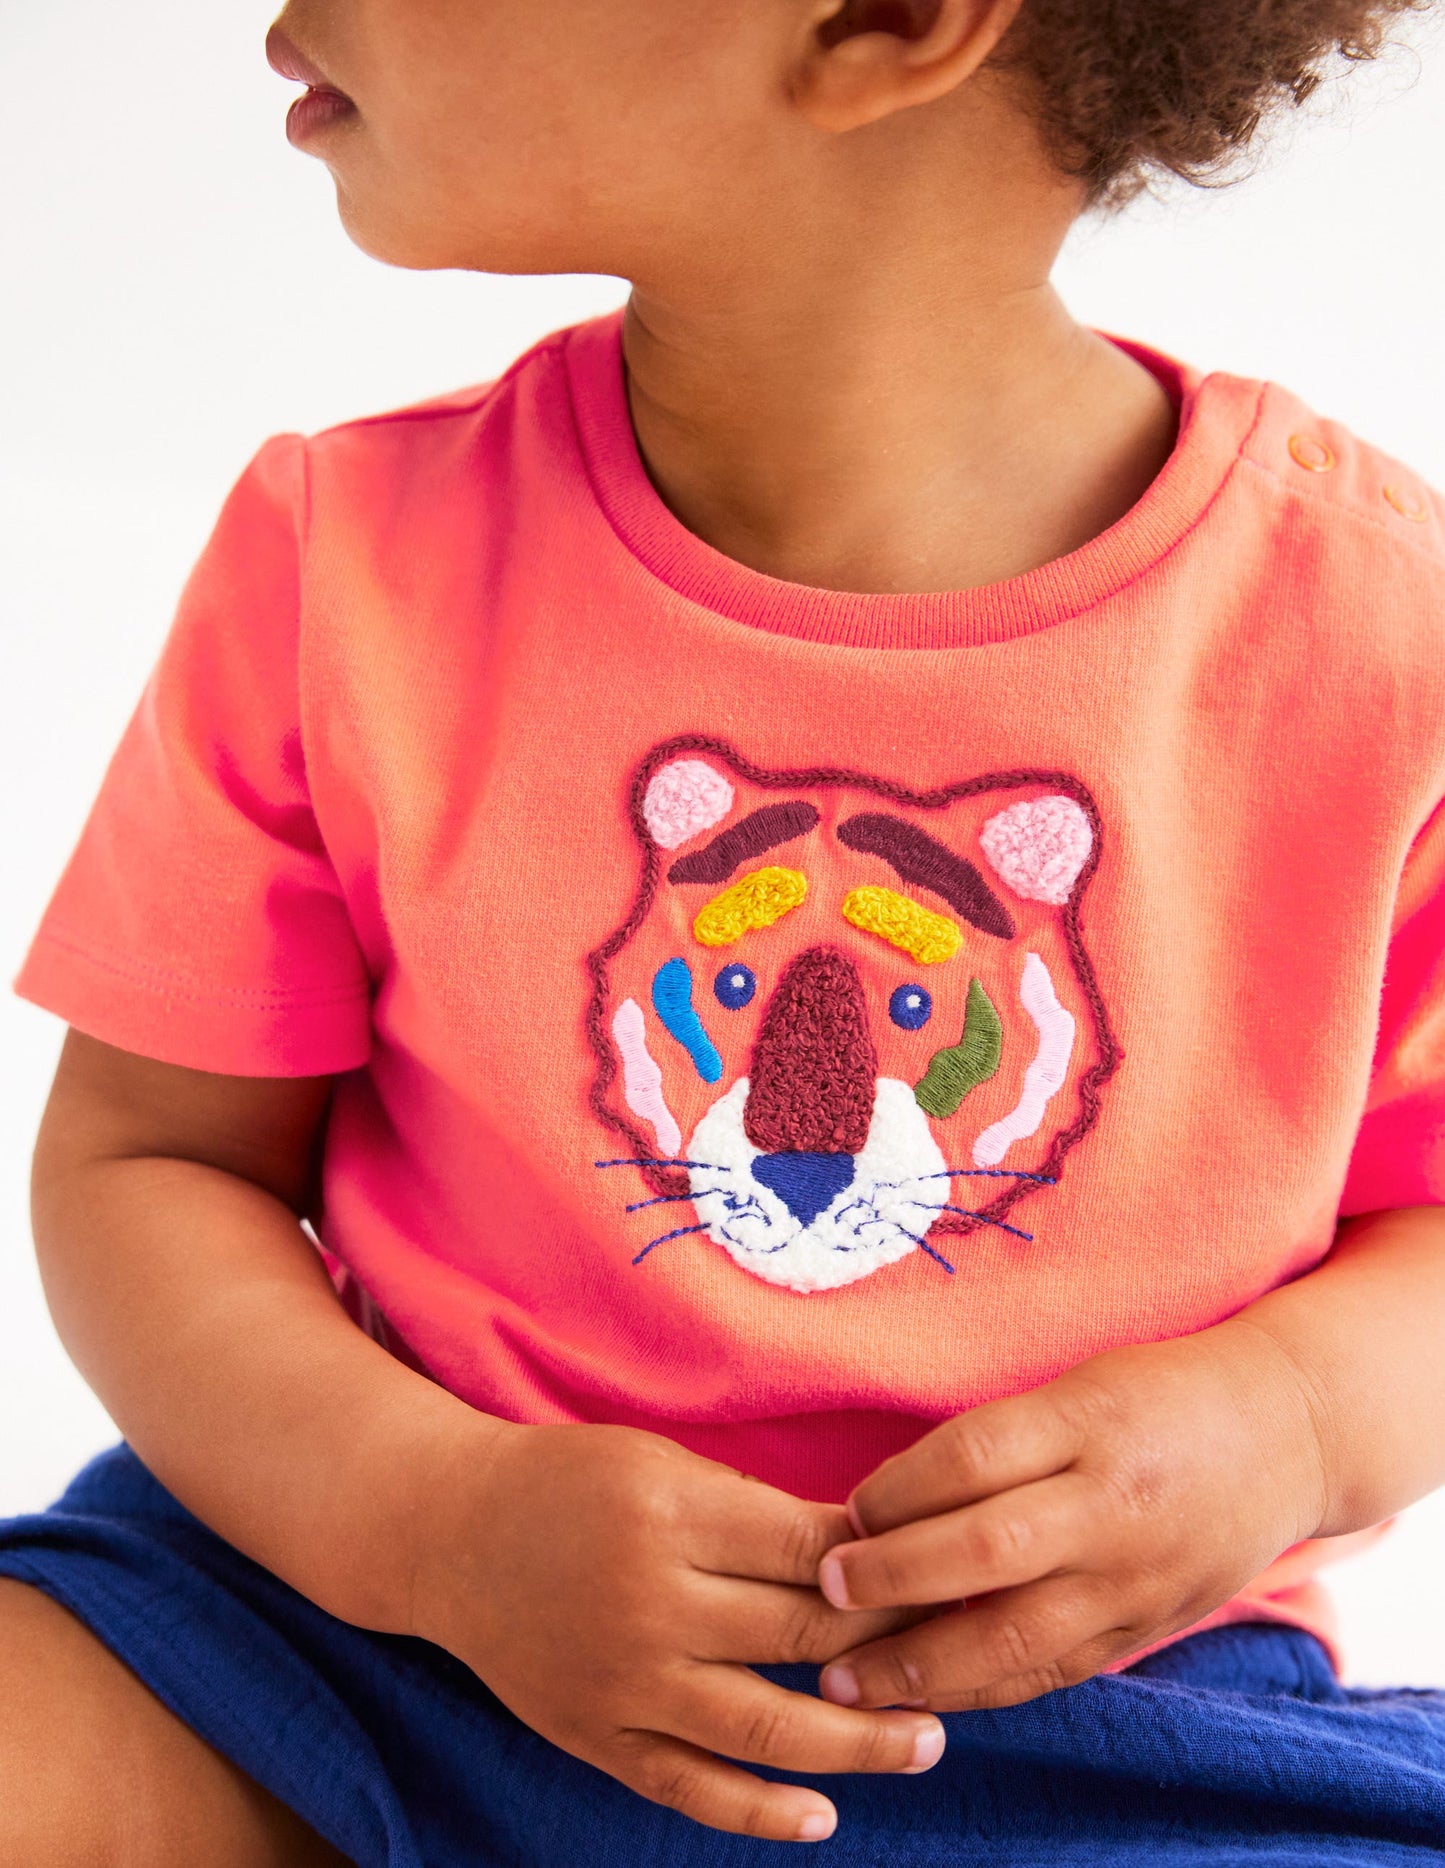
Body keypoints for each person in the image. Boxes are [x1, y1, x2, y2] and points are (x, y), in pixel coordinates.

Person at [3, 0, 1445, 1860]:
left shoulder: (1380, 636)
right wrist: (427, 1523)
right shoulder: (339, 556)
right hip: (350, 1634)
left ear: (877, 20)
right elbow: (149, 1159)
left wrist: (1284, 1423)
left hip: (1102, 1731)